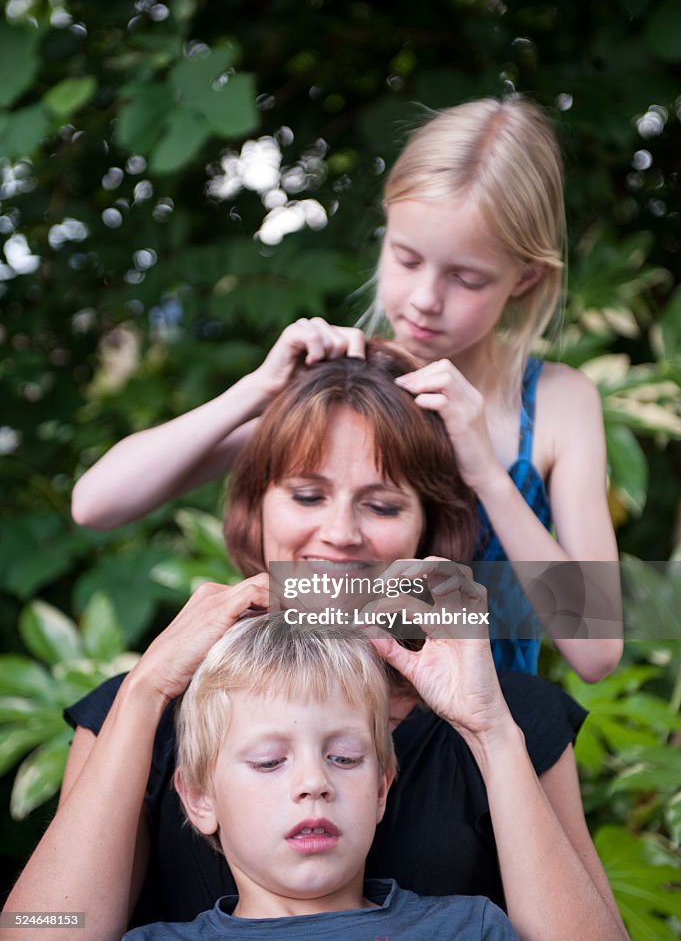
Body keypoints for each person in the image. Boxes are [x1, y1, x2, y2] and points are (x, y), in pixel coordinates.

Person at [5, 347, 627, 941]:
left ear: (427, 529)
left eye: (381, 506)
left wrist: (491, 732)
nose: (339, 533)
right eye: (307, 496)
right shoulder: (142, 709)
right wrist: (146, 690)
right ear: (257, 510)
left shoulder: (513, 715)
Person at [70, 97, 621, 681]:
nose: (425, 299)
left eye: (466, 278)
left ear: (526, 277)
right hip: (321, 730)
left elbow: (596, 651)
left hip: (487, 744)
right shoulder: (340, 383)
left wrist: (486, 468)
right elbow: (96, 504)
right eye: (407, 258)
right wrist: (255, 391)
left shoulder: (559, 402)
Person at [122, 613, 518, 940]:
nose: (314, 782)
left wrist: (492, 730)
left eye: (343, 758)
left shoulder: (466, 929)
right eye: (269, 761)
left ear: (381, 790)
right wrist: (142, 689)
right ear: (200, 798)